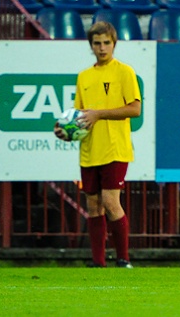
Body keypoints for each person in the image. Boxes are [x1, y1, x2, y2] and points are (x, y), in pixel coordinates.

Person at [54, 21, 141, 268]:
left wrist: (99, 114)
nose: (102, 48)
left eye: (106, 43)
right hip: (89, 149)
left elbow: (135, 109)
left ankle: (123, 259)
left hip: (115, 148)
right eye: (97, 43)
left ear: (114, 44)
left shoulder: (124, 72)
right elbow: (81, 115)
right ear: (90, 46)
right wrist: (66, 129)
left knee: (111, 202)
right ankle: (98, 262)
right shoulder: (84, 76)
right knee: (93, 205)